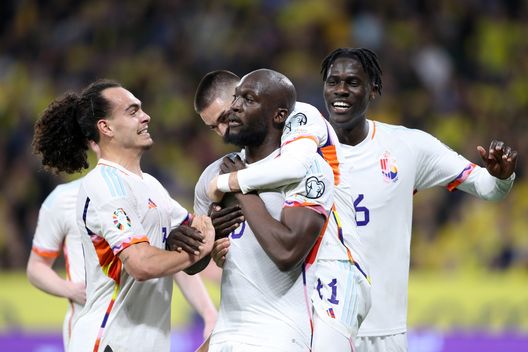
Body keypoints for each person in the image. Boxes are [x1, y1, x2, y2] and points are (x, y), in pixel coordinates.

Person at [320, 47, 517, 352]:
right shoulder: (302, 152)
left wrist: (502, 177)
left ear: (373, 90)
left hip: (384, 333)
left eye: (352, 82)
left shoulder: (408, 146)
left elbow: (487, 187)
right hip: (319, 327)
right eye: (333, 82)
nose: (341, 90)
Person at [31, 79, 215, 352]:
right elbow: (140, 264)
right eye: (132, 111)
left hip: (146, 343)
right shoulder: (105, 184)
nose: (146, 116)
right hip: (109, 342)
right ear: (105, 128)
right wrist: (200, 250)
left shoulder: (151, 185)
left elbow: (197, 232)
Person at [194, 69, 371, 350]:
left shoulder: (302, 125)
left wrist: (235, 185)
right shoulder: (216, 171)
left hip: (337, 266)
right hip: (239, 326)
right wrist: (209, 240)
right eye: (213, 126)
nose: (223, 131)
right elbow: (197, 256)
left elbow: (293, 169)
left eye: (227, 116)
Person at [27, 175, 217, 349]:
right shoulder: (63, 198)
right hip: (97, 328)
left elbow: (169, 260)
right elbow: (36, 266)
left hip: (150, 331)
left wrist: (208, 312)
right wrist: (70, 289)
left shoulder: (152, 190)